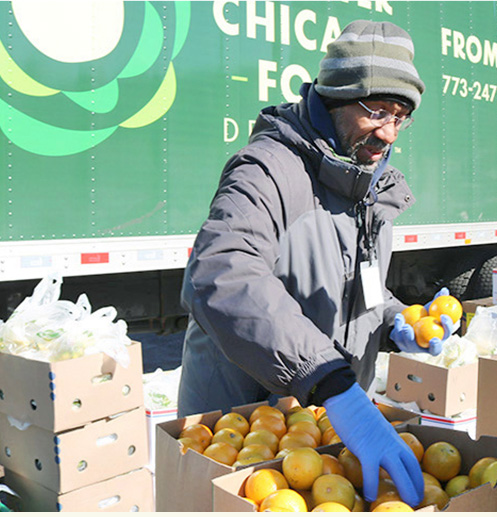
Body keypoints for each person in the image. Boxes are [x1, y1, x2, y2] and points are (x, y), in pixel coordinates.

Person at [177, 20, 454, 507]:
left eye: (401, 116)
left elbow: (359, 285)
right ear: (335, 99)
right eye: (377, 111)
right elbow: (222, 273)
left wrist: (395, 320)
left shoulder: (368, 185)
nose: (389, 132)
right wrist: (330, 380)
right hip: (245, 426)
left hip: (322, 423)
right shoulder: (268, 169)